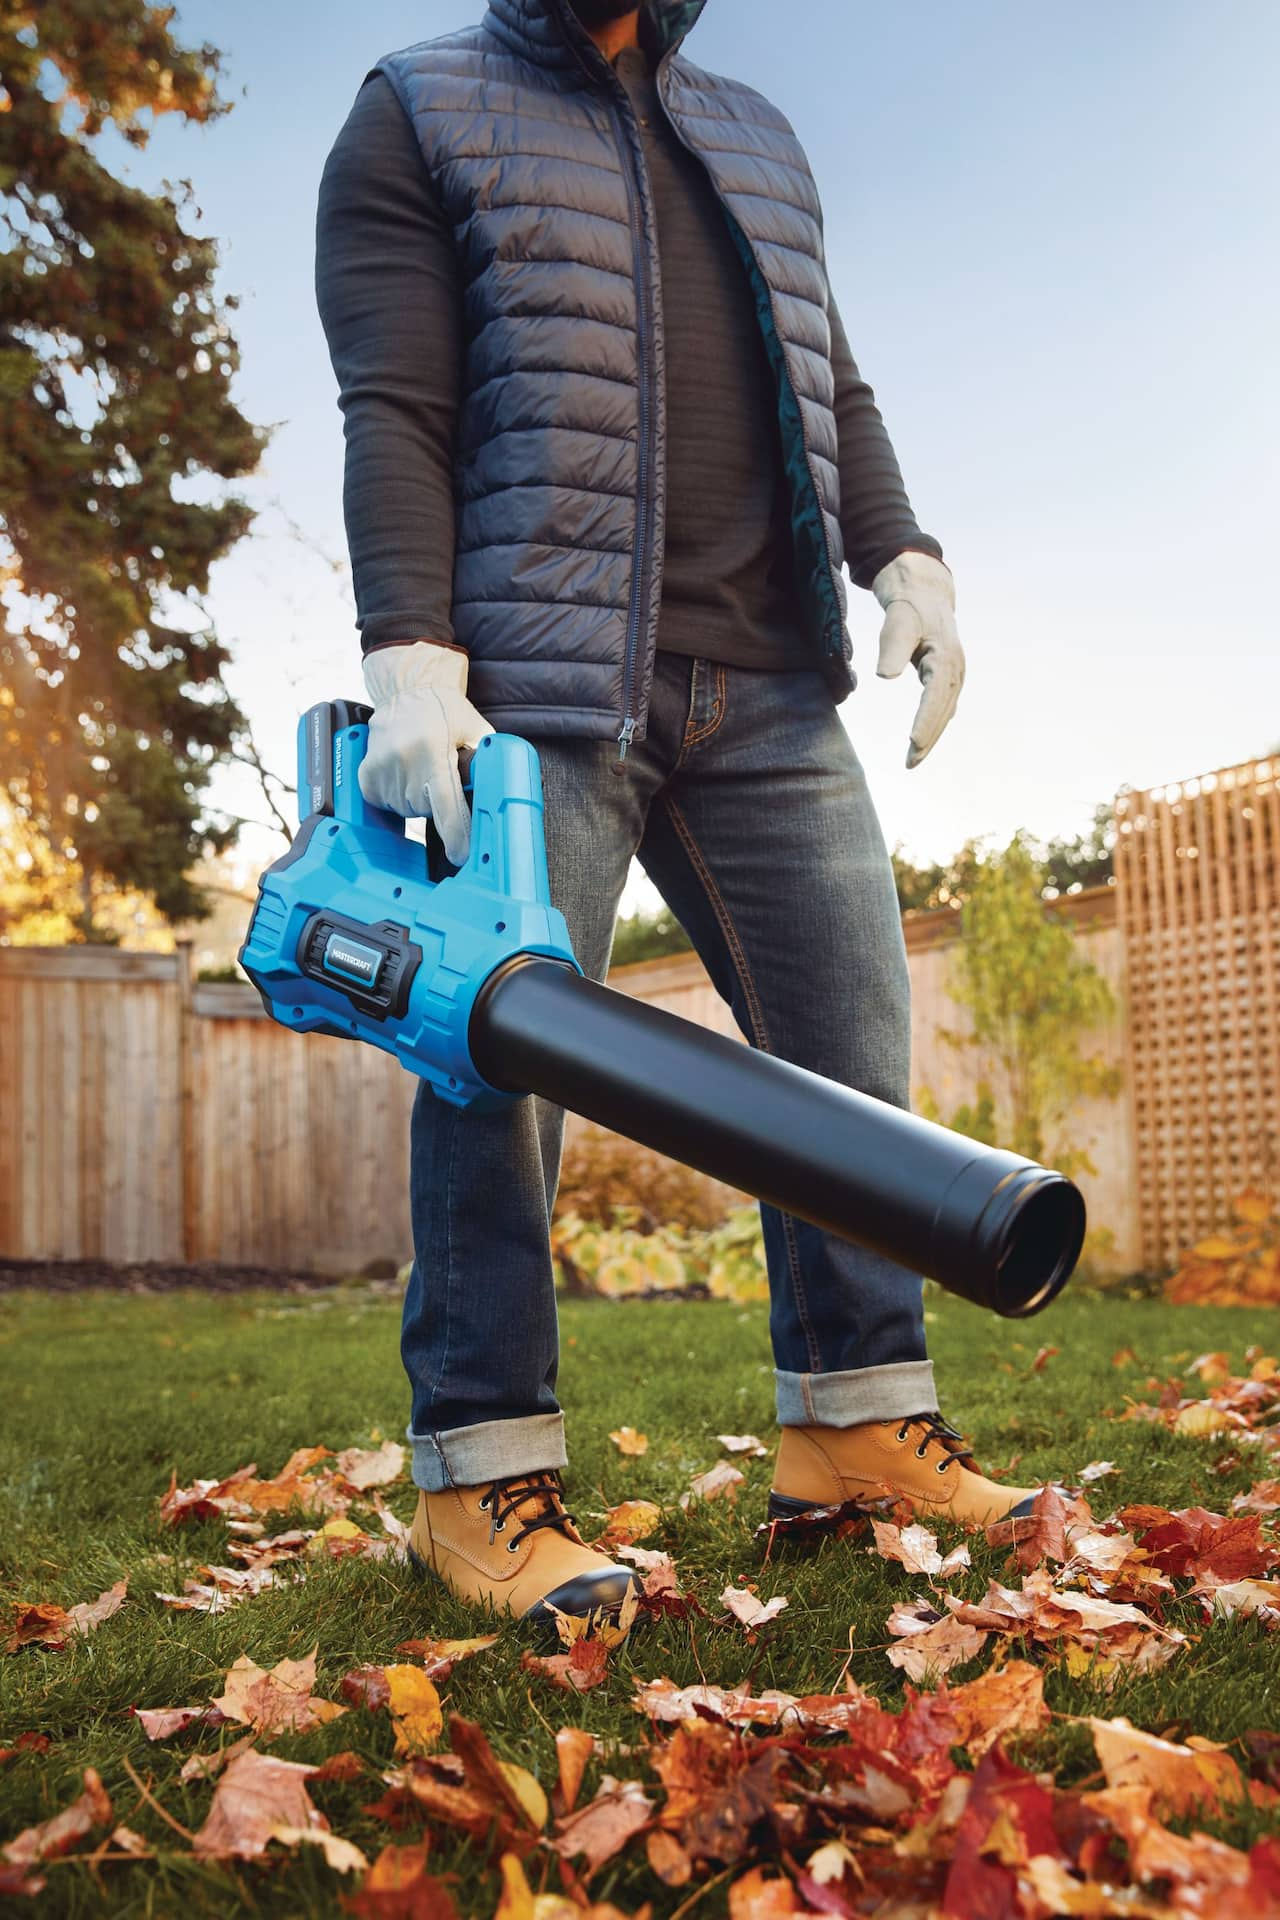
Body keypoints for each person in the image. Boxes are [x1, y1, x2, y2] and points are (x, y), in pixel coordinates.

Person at [315, 0, 1045, 1630]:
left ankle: (855, 1433)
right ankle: (476, 1478)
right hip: (531, 696)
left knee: (850, 1048)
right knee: (499, 1080)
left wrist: (904, 554)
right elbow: (398, 406)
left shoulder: (758, 132)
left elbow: (830, 380)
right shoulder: (417, 107)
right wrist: (411, 651)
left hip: (770, 684)